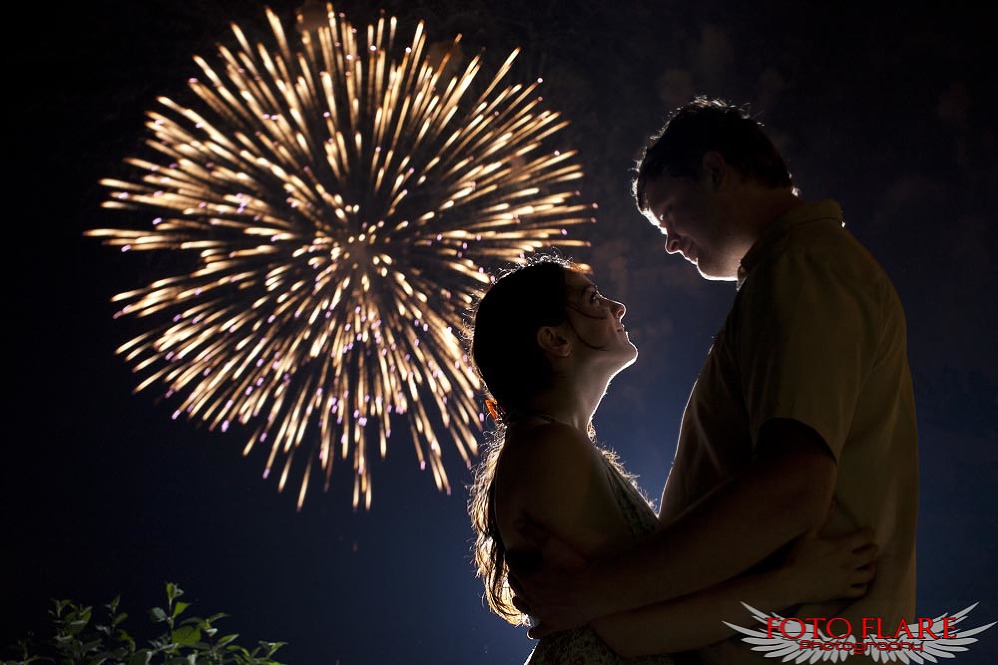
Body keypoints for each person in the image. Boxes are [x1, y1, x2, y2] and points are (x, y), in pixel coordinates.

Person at [508, 98, 919, 664]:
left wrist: (599, 593)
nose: (670, 242)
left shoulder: (803, 272)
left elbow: (791, 487)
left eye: (668, 213)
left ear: (715, 172)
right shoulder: (795, 275)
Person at [467, 255, 879, 663]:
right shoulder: (549, 450)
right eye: (592, 299)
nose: (617, 307)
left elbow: (630, 607)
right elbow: (637, 631)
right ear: (555, 340)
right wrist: (797, 583)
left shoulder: (551, 447)